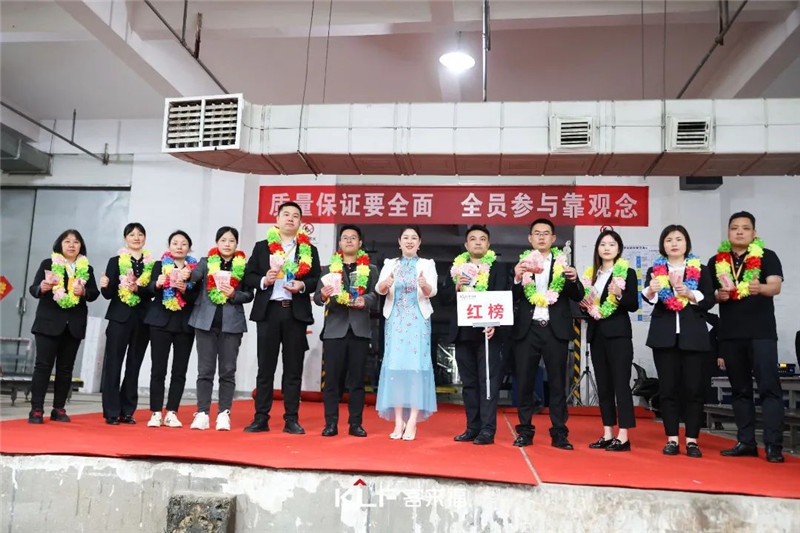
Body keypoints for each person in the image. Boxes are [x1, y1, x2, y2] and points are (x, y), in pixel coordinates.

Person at [710, 211, 785, 463]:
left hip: (762, 334)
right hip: (731, 335)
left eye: (745, 228)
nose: (739, 232)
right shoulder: (716, 261)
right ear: (728, 232)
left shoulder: (767, 256)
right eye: (734, 228)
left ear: (754, 233)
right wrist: (717, 296)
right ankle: (746, 442)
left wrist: (760, 287)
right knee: (740, 390)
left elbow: (775, 286)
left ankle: (773, 446)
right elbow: (709, 295)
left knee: (769, 389)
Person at [243, 202, 321, 434]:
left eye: (295, 216)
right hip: (269, 312)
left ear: (300, 222)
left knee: (293, 369)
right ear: (277, 219)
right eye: (286, 214)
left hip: (294, 313)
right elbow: (248, 276)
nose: (290, 219)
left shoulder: (309, 250)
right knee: (265, 369)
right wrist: (264, 280)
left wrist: (302, 285)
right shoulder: (262, 247)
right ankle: (260, 418)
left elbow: (316, 279)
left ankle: (291, 419)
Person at [511, 218, 583, 449]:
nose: (541, 237)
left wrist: (574, 279)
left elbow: (578, 295)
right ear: (530, 238)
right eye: (537, 233)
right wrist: (516, 278)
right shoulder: (522, 264)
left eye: (546, 233)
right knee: (525, 382)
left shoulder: (563, 264)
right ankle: (524, 431)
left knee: (557, 383)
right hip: (528, 329)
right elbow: (511, 297)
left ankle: (559, 433)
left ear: (553, 238)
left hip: (555, 330)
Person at [643, 224, 714, 458]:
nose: (674, 243)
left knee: (693, 389)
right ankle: (672, 439)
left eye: (678, 239)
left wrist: (689, 294)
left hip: (693, 337)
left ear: (686, 243)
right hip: (664, 337)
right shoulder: (655, 270)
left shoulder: (700, 270)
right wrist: (652, 290)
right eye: (669, 240)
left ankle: (692, 440)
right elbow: (649, 299)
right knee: (668, 389)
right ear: (663, 245)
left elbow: (709, 301)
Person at [440, 224, 509, 445]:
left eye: (482, 239)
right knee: (469, 384)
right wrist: (456, 287)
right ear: (466, 244)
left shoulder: (498, 268)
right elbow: (444, 298)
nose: (477, 242)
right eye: (473, 239)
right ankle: (472, 427)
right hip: (463, 333)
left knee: (487, 382)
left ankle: (487, 430)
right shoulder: (457, 268)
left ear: (488, 244)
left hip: (488, 333)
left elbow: (503, 297)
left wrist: (495, 323)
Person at [28, 229, 100, 424]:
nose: (71, 245)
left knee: (66, 368)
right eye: (67, 241)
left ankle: (59, 408)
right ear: (60, 244)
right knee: (43, 366)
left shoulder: (86, 268)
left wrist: (84, 291)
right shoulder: (48, 264)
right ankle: (36, 409)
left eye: (76, 242)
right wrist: (42, 288)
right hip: (48, 323)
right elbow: (34, 288)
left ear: (81, 246)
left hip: (74, 324)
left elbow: (94, 293)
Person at [314, 224, 378, 437]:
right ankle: (330, 423)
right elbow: (317, 298)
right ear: (340, 243)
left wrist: (365, 299)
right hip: (335, 331)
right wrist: (323, 295)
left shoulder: (370, 269)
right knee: (332, 381)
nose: (349, 240)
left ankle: (355, 424)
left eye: (353, 237)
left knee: (357, 381)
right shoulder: (328, 269)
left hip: (360, 331)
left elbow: (375, 295)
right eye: (345, 237)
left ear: (360, 243)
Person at [375, 225, 438, 441]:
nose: (409, 241)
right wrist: (385, 283)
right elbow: (379, 289)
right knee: (396, 370)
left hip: (418, 321)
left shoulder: (427, 264)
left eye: (414, 238)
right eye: (405, 237)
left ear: (419, 243)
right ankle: (398, 420)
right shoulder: (390, 264)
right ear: (399, 242)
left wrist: (425, 285)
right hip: (395, 320)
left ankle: (412, 421)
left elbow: (432, 292)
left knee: (415, 370)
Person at [188, 226, 253, 431]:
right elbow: (193, 276)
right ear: (217, 242)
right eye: (223, 240)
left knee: (227, 371)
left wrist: (234, 294)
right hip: (205, 323)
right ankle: (202, 413)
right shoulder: (206, 262)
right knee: (205, 371)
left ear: (236, 244)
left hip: (232, 325)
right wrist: (187, 274)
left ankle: (224, 413)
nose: (227, 244)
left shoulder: (243, 265)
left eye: (231, 240)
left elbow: (249, 295)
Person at [579, 230, 639, 452]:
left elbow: (633, 304)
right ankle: (607, 433)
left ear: (619, 249)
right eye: (603, 244)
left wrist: (620, 294)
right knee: (603, 386)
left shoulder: (626, 273)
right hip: (597, 336)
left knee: (620, 384)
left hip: (618, 335)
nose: (607, 248)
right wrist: (584, 306)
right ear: (597, 248)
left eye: (612, 244)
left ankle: (624, 436)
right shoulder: (592, 276)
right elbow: (589, 308)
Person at [99, 223, 154, 425]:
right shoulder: (115, 261)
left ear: (145, 238)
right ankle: (112, 411)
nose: (136, 238)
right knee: (113, 364)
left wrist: (139, 289)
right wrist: (105, 286)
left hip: (142, 319)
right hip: (119, 318)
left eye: (140, 234)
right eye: (132, 234)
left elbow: (153, 290)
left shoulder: (152, 264)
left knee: (134, 365)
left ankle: (127, 411)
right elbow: (108, 294)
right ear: (125, 238)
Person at [145, 230, 199, 428]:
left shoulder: (195, 269)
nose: (179, 247)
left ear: (189, 248)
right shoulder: (159, 265)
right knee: (158, 369)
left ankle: (172, 412)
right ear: (169, 246)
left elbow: (198, 297)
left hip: (184, 324)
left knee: (179, 370)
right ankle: (155, 412)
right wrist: (157, 284)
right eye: (175, 243)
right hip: (160, 322)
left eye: (183, 244)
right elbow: (148, 288)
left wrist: (186, 289)